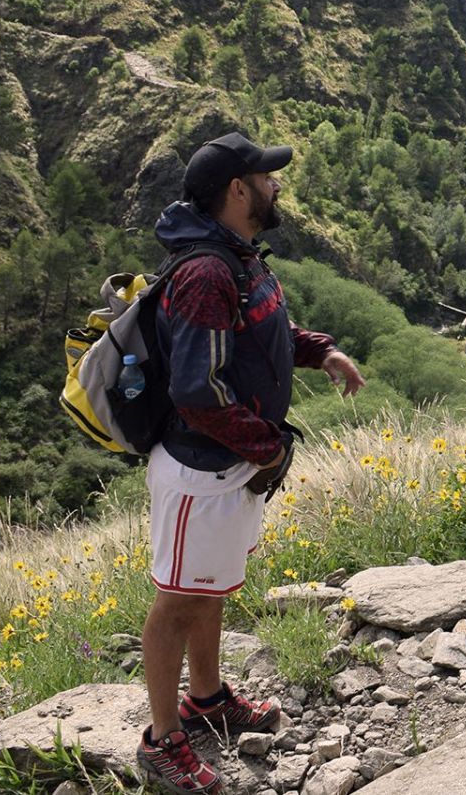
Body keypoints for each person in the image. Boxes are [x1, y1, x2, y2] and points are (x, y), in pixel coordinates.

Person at [137, 131, 365, 794]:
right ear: (238, 190)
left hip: (229, 466)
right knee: (176, 602)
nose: (277, 184)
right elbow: (194, 390)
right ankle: (159, 742)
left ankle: (205, 700)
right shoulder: (208, 272)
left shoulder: (239, 258)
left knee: (210, 586)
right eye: (267, 176)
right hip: (199, 471)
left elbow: (263, 334)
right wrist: (265, 445)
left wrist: (320, 351)